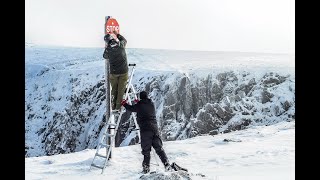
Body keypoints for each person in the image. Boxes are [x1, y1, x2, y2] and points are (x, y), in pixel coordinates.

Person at [121, 91, 171, 173]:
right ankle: (167, 165)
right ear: (147, 97)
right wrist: (139, 103)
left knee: (146, 151)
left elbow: (131, 108)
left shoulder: (139, 106)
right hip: (155, 129)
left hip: (145, 130)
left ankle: (146, 169)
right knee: (159, 149)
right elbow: (143, 105)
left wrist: (124, 104)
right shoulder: (151, 104)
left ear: (140, 97)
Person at [103, 31, 128, 110]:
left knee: (114, 90)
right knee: (121, 90)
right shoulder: (121, 45)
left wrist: (107, 47)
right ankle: (118, 107)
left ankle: (113, 107)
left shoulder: (108, 49)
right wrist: (117, 34)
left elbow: (105, 56)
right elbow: (125, 40)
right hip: (123, 71)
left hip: (114, 73)